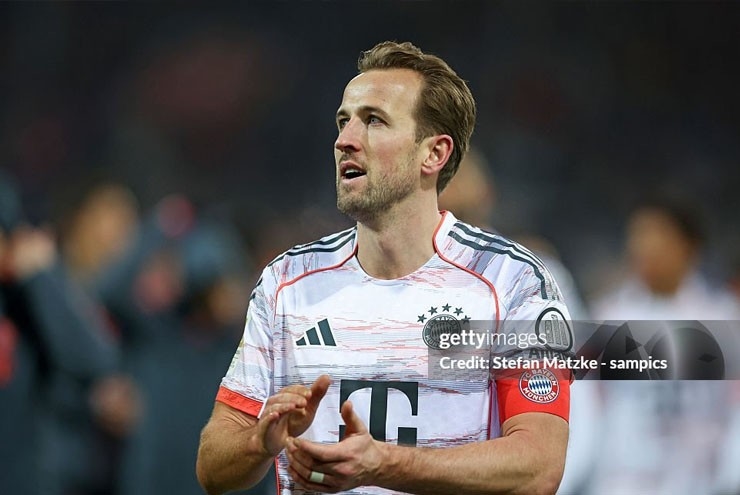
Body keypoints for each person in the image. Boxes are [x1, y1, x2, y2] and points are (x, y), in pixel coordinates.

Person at [197, 41, 572, 495]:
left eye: (374, 120)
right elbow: (212, 468)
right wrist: (260, 440)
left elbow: (538, 467)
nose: (345, 140)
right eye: (344, 121)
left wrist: (383, 463)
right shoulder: (287, 283)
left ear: (433, 154)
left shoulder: (510, 280)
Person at [587, 193, 740, 495]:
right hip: (622, 480)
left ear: (689, 245)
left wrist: (730, 475)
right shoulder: (608, 317)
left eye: (657, 236)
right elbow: (591, 409)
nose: (644, 247)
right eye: (638, 237)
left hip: (698, 480)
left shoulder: (723, 317)